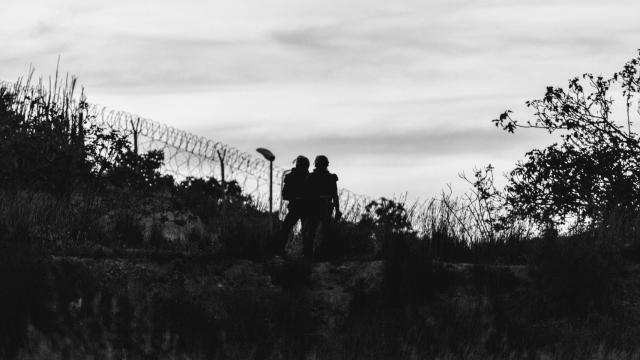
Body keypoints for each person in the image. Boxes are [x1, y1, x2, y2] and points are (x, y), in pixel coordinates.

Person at [303, 155, 342, 260]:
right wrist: (337, 210)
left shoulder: (312, 177)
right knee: (318, 232)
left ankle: (312, 255)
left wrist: (337, 210)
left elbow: (334, 195)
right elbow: (335, 196)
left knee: (314, 232)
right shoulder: (329, 178)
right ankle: (318, 254)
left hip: (318, 208)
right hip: (320, 207)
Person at [276, 155, 310, 255]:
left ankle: (305, 251)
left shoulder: (294, 177)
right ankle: (305, 252)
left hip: (299, 207)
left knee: (291, 229)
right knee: (290, 229)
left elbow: (285, 194)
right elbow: (285, 194)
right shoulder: (306, 177)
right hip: (300, 207)